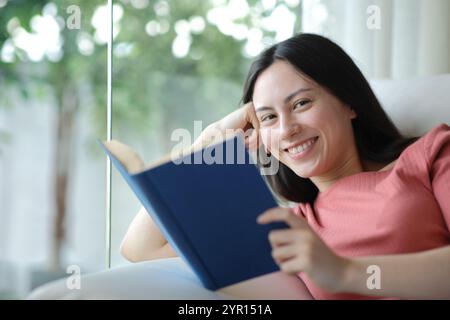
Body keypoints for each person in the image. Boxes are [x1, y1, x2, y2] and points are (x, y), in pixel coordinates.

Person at [29, 33, 450, 300]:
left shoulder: (429, 156)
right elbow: (138, 249)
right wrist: (207, 143)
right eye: (268, 118)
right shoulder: (291, 226)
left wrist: (342, 272)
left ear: (348, 103)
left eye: (302, 103)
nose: (286, 129)